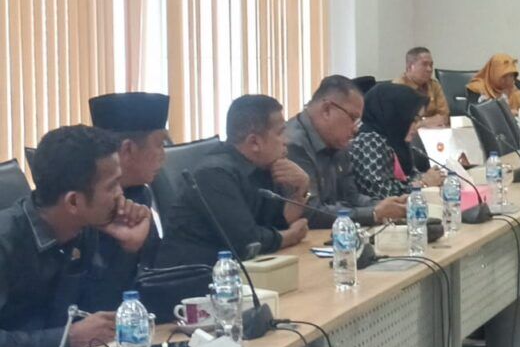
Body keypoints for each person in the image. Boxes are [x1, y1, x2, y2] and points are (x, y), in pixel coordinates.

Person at [0, 126, 153, 347]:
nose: (121, 194)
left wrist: (128, 250)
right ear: (73, 202)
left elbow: (101, 316)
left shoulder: (84, 228)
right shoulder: (6, 241)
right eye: (112, 185)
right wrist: (66, 338)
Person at [162, 96, 311, 268]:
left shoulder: (263, 166)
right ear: (254, 142)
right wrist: (290, 236)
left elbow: (274, 223)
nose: (286, 140)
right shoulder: (214, 174)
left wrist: (300, 189)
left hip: (240, 270)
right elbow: (248, 242)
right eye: (280, 133)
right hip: (197, 275)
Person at [285, 75, 407, 229]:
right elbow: (311, 212)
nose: (356, 129)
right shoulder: (292, 145)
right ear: (327, 110)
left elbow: (351, 197)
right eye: (353, 118)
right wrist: (373, 213)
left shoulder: (336, 141)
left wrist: (390, 205)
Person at [85, 91, 169, 297]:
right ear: (128, 149)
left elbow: (155, 272)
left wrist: (133, 247)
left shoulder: (139, 193)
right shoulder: (86, 205)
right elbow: (92, 300)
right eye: (159, 144)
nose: (164, 156)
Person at [350, 83, 443, 200]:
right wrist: (424, 184)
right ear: (395, 114)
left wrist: (433, 177)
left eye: (419, 120)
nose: (417, 126)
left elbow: (410, 176)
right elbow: (382, 195)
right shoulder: (369, 141)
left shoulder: (396, 139)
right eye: (414, 119)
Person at [395, 46, 449, 128]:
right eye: (424, 64)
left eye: (431, 65)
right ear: (409, 67)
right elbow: (401, 123)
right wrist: (425, 123)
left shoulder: (434, 85)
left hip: (434, 131)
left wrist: (421, 123)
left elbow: (444, 116)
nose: (429, 69)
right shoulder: (398, 87)